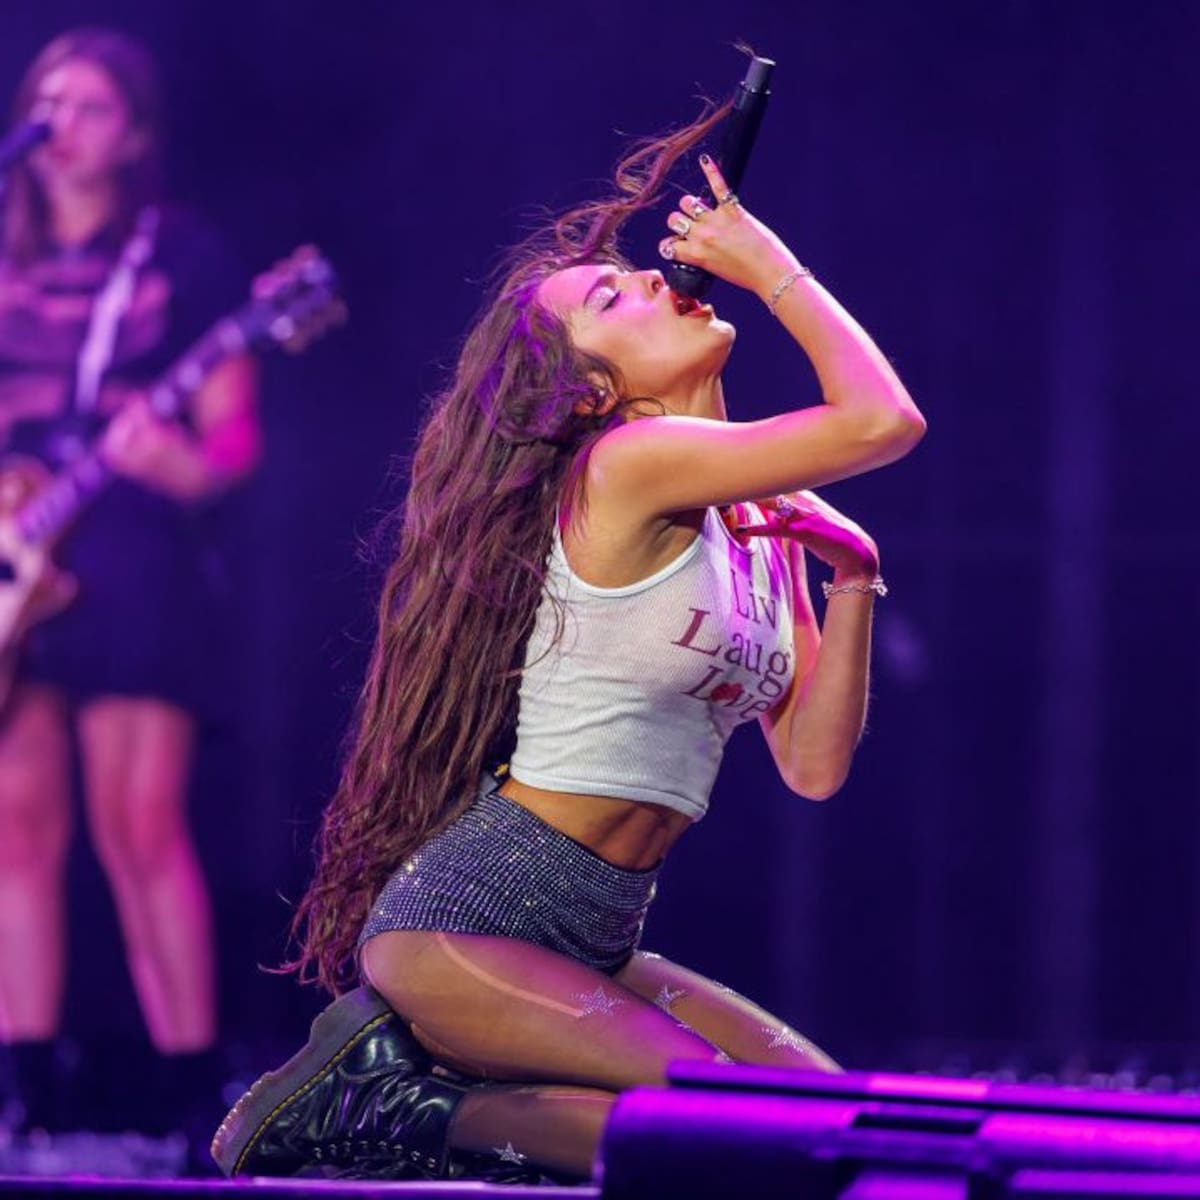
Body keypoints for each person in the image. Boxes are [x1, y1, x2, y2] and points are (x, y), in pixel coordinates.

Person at [214, 107, 924, 1183]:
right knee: (743, 1134)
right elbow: (883, 421)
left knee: (835, 1126)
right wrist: (767, 263)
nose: (649, 282)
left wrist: (855, 574)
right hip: (472, 922)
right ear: (594, 390)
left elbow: (813, 766)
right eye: (611, 297)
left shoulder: (760, 520)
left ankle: (443, 1104)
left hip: (597, 937)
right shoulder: (624, 466)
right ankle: (395, 1108)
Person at [0, 28, 260, 1136]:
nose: (62, 124)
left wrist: (180, 464)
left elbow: (232, 439)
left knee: (138, 821)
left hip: (133, 555)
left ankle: (191, 1091)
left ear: (136, 135)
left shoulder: (179, 255)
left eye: (92, 106)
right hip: (17, 557)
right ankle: (24, 1090)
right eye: (47, 101)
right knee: (15, 824)